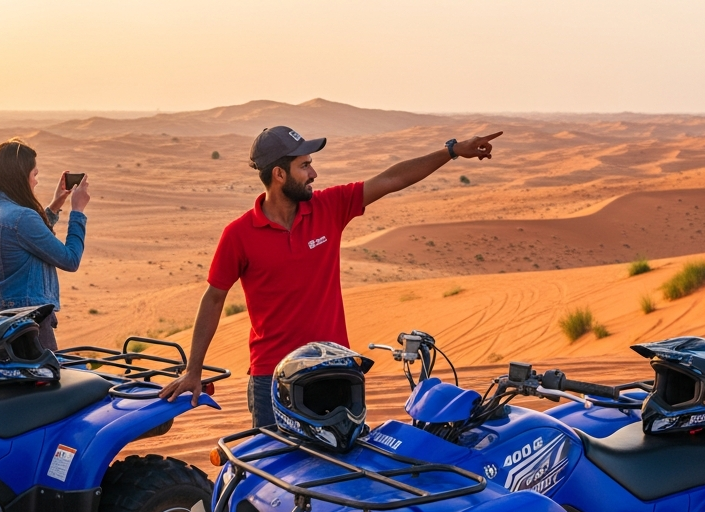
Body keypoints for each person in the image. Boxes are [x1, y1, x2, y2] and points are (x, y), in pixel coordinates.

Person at [159, 126, 501, 426]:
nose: (314, 173)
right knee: (271, 480)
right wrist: (194, 370)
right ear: (279, 174)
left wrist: (452, 150)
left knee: (343, 477)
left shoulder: (328, 207)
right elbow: (214, 297)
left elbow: (391, 180)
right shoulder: (239, 234)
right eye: (305, 166)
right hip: (272, 378)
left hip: (333, 370)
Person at [0, 139, 90, 348]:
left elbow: (26, 238)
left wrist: (55, 204)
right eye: (34, 174)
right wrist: (77, 211)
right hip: (25, 326)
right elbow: (70, 260)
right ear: (20, 176)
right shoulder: (22, 217)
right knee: (44, 380)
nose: (36, 181)